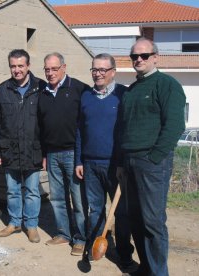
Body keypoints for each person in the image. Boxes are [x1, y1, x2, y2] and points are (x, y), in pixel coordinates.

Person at [117, 37, 186, 276]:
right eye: (134, 56)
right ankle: (146, 268)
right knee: (135, 218)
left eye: (144, 56)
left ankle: (158, 273)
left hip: (151, 162)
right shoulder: (132, 90)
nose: (138, 60)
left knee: (152, 222)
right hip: (129, 163)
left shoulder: (167, 84)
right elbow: (124, 127)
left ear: (155, 57)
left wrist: (156, 156)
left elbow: (176, 124)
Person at [75, 53, 137, 271]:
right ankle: (96, 246)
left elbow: (129, 130)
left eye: (102, 70)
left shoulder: (123, 95)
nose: (98, 74)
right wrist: (79, 160)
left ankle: (124, 255)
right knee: (96, 210)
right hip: (90, 164)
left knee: (121, 213)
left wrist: (124, 162)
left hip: (115, 166)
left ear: (113, 71)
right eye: (94, 69)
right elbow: (80, 131)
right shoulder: (86, 97)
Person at [0, 49, 46, 243]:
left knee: (31, 191)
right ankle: (14, 222)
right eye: (13, 66)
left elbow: (47, 122)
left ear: (28, 66)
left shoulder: (41, 87)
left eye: (20, 66)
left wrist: (46, 152)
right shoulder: (2, 89)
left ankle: (31, 225)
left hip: (33, 149)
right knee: (12, 190)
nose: (17, 70)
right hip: (9, 149)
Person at [37, 52, 89, 256]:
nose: (50, 73)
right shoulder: (43, 93)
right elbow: (40, 127)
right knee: (58, 198)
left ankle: (81, 238)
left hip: (72, 154)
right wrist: (43, 154)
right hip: (52, 154)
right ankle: (64, 233)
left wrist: (81, 157)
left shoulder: (79, 89)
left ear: (64, 67)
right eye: (47, 69)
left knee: (77, 199)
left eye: (54, 69)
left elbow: (85, 126)